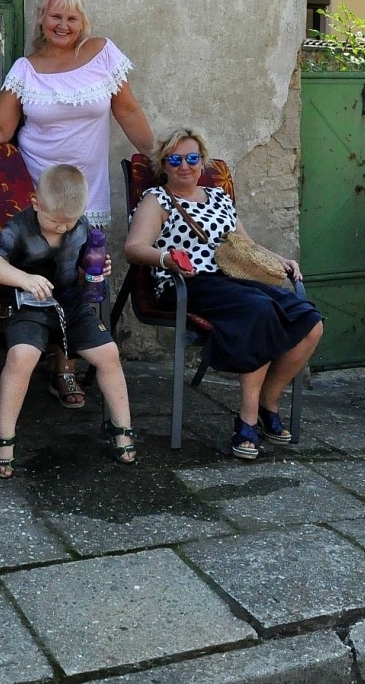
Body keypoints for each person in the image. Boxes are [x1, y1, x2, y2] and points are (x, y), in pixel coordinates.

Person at [0, 0, 154, 411]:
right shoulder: (24, 69)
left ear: (84, 21)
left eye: (72, 18)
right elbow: (2, 126)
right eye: (56, 16)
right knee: (50, 274)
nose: (64, 25)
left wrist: (156, 158)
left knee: (85, 275)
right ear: (41, 19)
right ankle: (58, 367)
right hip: (39, 188)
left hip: (89, 190)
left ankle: (88, 357)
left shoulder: (102, 54)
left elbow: (128, 110)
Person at [123, 128, 322, 460]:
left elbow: (246, 246)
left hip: (234, 280)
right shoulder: (157, 199)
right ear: (164, 165)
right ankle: (246, 420)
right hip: (188, 284)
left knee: (310, 320)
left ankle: (266, 403)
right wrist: (167, 258)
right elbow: (133, 248)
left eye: (191, 158)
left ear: (202, 162)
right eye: (175, 159)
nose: (184, 166)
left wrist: (279, 259)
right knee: (259, 311)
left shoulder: (218, 197)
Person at [0, 164, 138, 476]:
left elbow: (84, 267)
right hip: (28, 305)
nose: (62, 228)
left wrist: (98, 268)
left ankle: (121, 427)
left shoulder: (78, 226)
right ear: (36, 202)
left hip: (70, 303)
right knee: (21, 356)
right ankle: (5, 436)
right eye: (55, 221)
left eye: (69, 223)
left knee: (108, 353)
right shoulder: (19, 227)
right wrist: (23, 278)